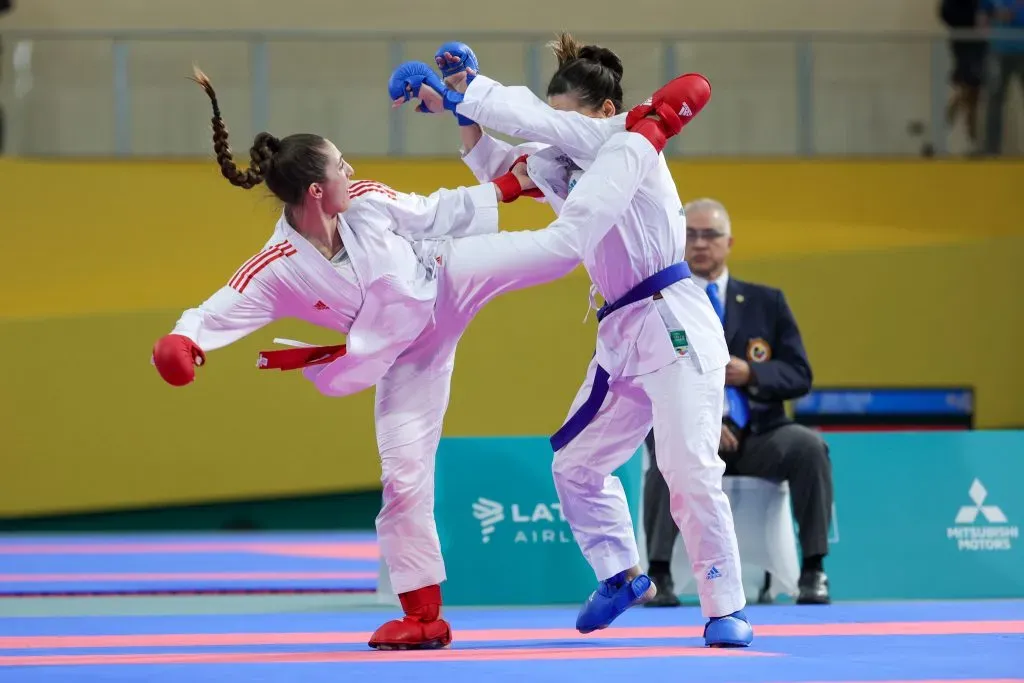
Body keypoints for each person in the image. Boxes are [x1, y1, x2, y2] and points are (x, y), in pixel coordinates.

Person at [152, 67, 696, 651]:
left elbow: (435, 211)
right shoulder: (277, 268)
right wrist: (185, 342)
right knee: (402, 477)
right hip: (404, 353)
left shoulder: (364, 200)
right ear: (315, 191)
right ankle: (423, 615)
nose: (351, 171)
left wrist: (509, 189)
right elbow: (219, 306)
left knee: (561, 249)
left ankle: (644, 131)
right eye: (340, 166)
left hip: (446, 278)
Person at [391, 34, 753, 647]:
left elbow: (531, 119)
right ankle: (620, 574)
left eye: (566, 117)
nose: (555, 128)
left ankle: (725, 606)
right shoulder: (564, 155)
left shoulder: (626, 141)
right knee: (576, 466)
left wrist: (470, 89)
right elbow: (504, 169)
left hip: (675, 323)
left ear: (604, 112)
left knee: (688, 468)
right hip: (620, 335)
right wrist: (454, 109)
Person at [642, 198, 832, 606]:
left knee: (809, 448)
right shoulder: (658, 303)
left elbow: (800, 374)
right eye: (689, 235)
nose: (699, 244)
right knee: (664, 444)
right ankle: (659, 575)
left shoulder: (768, 302)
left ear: (728, 242)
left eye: (709, 235)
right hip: (692, 432)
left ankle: (814, 570)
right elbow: (644, 376)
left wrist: (752, 373)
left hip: (760, 435)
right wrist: (703, 423)